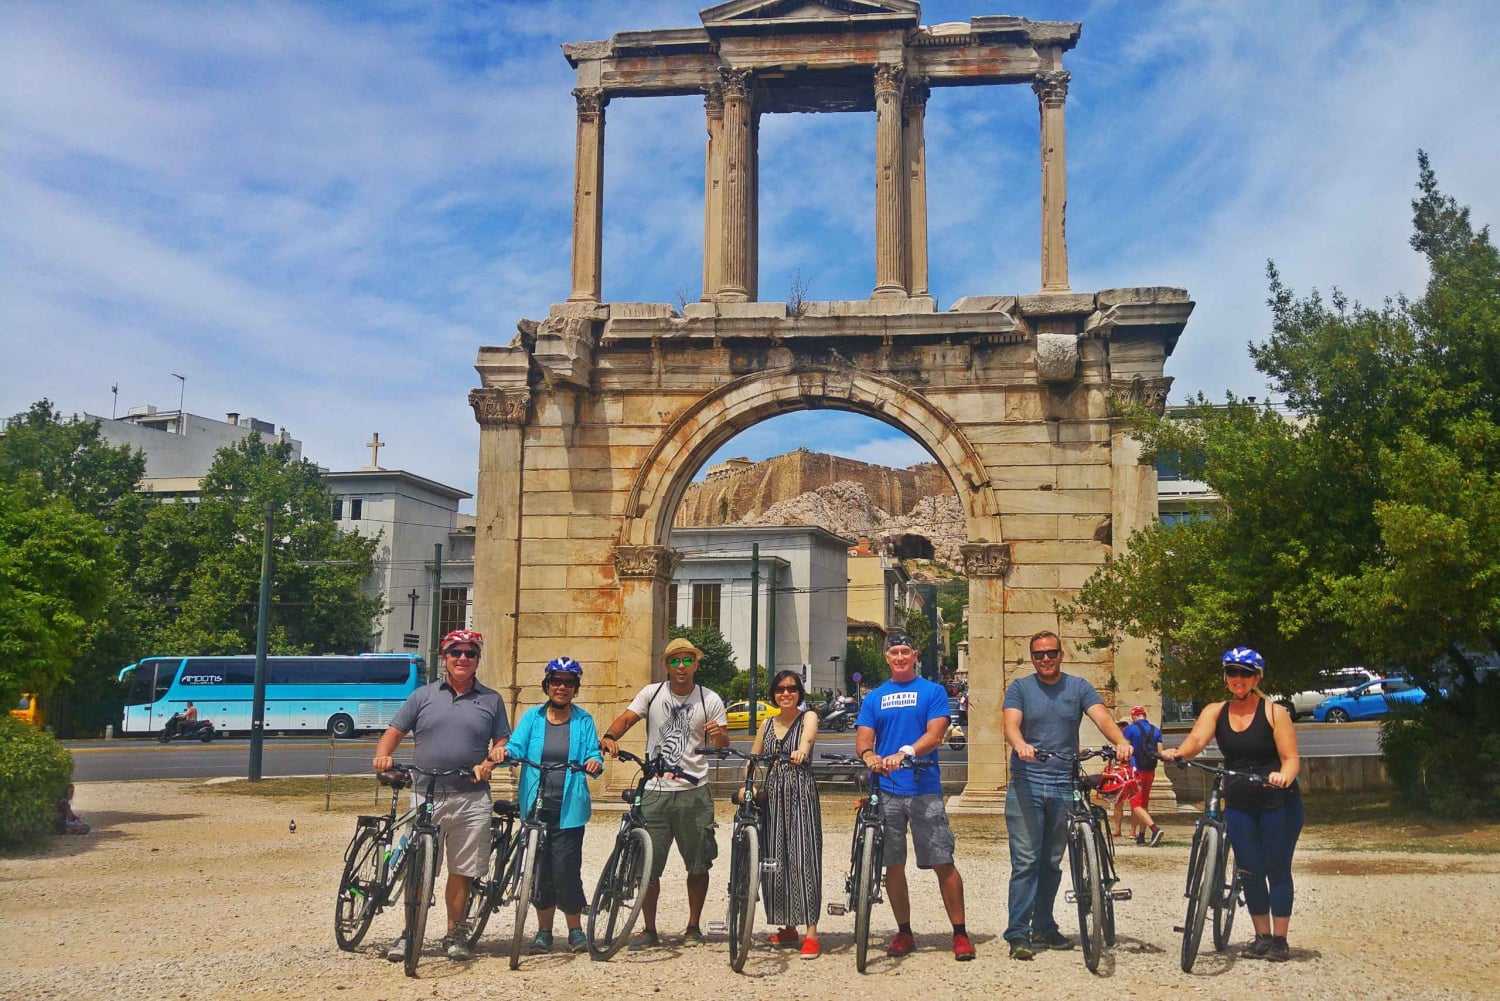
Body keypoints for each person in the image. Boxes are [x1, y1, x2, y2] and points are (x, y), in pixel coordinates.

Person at [372, 629, 510, 962]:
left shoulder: (491, 699)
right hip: (426, 793)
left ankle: (454, 932)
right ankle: (410, 932)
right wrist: (383, 756)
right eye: (456, 653)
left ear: (477, 660)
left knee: (462, 869)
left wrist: (489, 762)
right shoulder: (422, 696)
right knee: (418, 868)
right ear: (444, 658)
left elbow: (501, 740)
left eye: (470, 653)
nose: (463, 658)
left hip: (471, 796)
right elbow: (395, 731)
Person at [1161, 647, 1302, 962]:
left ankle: (1280, 939)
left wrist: (1284, 776)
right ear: (1226, 677)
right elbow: (1197, 740)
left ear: (1256, 678)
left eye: (1245, 673)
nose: (1238, 679)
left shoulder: (1274, 713)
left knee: (1277, 868)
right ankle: (1262, 936)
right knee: (1250, 869)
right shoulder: (1215, 710)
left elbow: (1291, 758)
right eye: (1232, 673)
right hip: (1239, 800)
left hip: (1276, 800)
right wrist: (1180, 753)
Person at [1002, 630, 1135, 960]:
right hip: (1028, 782)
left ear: (1061, 654)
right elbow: (1010, 725)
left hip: (1064, 781)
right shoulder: (1020, 688)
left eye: (1051, 653)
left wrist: (1121, 740)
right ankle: (1018, 932)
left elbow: (1101, 716)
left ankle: (1044, 925)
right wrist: (1020, 744)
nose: (1045, 659)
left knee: (1051, 861)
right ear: (1032, 658)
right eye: (1039, 654)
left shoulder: (1078, 687)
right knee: (1026, 861)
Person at [599, 636, 730, 948]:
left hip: (694, 790)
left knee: (698, 863)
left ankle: (693, 926)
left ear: (696, 664)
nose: (681, 666)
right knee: (647, 865)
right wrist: (609, 736)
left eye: (687, 660)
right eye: (675, 660)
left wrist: (718, 735)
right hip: (655, 789)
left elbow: (723, 746)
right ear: (667, 665)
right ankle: (649, 929)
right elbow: (627, 718)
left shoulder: (709, 698)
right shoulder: (652, 693)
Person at [854, 632, 974, 962]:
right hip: (887, 789)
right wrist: (869, 756)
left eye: (905, 651)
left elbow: (935, 734)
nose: (900, 657)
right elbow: (864, 738)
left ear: (915, 655)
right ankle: (904, 931)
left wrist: (905, 752)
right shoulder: (875, 697)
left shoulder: (932, 691)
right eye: (894, 652)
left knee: (942, 860)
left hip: (924, 787)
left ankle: (960, 932)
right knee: (893, 864)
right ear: (887, 657)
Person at [502, 656, 604, 954]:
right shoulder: (532, 718)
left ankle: (575, 930)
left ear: (575, 688)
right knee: (540, 871)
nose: (562, 687)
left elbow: (594, 752)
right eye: (556, 681)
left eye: (568, 683)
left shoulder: (584, 720)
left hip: (569, 808)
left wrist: (594, 762)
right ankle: (544, 932)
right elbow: (516, 746)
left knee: (566, 870)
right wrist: (505, 753)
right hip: (536, 806)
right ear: (547, 685)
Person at [752, 669, 823, 958]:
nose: (786, 693)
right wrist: (749, 785)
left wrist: (801, 751)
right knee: (775, 857)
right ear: (773, 693)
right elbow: (755, 758)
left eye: (792, 688)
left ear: (799, 692)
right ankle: (788, 925)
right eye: (780, 689)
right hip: (772, 795)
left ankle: (811, 932)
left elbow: (807, 740)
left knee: (804, 857)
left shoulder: (808, 717)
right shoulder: (766, 723)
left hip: (799, 791)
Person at [1121, 705, 1166, 846]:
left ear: (1134, 716)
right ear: (1145, 715)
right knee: (1144, 803)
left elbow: (1126, 750)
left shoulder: (1130, 729)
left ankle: (1155, 828)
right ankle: (1141, 836)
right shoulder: (1156, 730)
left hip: (1136, 770)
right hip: (1150, 770)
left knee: (1135, 804)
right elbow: (1160, 752)